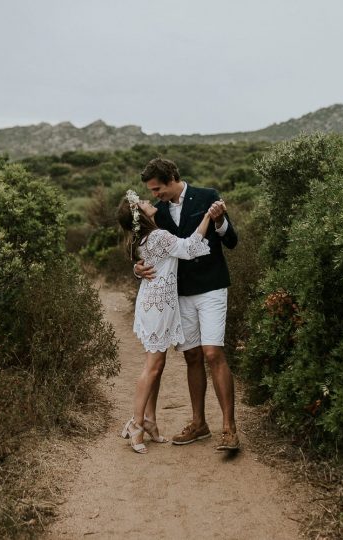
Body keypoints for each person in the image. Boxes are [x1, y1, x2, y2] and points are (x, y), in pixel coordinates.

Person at [134, 158, 240, 452]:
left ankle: (229, 429)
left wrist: (219, 220)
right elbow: (146, 245)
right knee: (192, 356)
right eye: (152, 191)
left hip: (212, 287)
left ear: (171, 178)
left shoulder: (207, 196)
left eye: (157, 189)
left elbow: (231, 241)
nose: (155, 195)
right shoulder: (158, 212)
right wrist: (137, 268)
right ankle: (199, 424)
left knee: (212, 352)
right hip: (179, 294)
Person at [117, 189, 216, 454]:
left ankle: (149, 420)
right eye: (143, 202)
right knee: (153, 365)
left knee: (156, 365)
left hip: (154, 302)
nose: (149, 201)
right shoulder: (158, 236)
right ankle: (136, 423)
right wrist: (207, 216)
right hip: (159, 306)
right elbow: (189, 247)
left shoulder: (143, 238)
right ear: (141, 214)